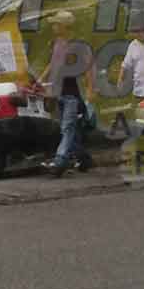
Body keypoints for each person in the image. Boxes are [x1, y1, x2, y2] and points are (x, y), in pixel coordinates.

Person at [37, 10, 94, 177]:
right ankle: (84, 159)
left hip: (72, 94)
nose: (53, 26)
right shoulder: (57, 42)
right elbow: (52, 63)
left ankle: (60, 160)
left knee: (67, 128)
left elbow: (89, 68)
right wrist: (41, 79)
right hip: (57, 93)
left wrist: (90, 91)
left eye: (56, 24)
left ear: (64, 26)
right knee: (70, 130)